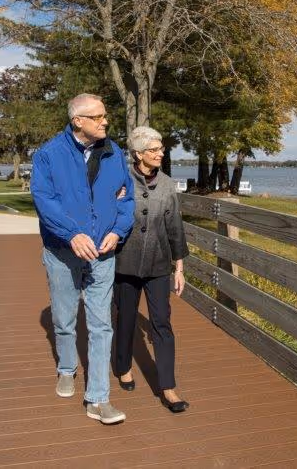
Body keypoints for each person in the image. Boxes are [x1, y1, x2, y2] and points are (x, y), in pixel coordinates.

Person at [31, 93, 135, 424]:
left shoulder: (114, 152)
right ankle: (66, 368)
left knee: (102, 323)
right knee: (63, 319)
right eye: (98, 116)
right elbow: (44, 200)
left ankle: (98, 399)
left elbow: (126, 197)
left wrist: (117, 231)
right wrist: (72, 234)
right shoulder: (49, 155)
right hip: (62, 252)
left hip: (103, 253)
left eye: (105, 116)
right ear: (79, 121)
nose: (106, 121)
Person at [114, 126, 190, 413]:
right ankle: (122, 365)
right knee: (127, 318)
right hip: (125, 262)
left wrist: (179, 267)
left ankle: (168, 387)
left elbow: (175, 228)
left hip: (158, 265)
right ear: (138, 154)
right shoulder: (121, 181)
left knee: (162, 322)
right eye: (154, 149)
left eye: (161, 148)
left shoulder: (168, 185)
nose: (161, 153)